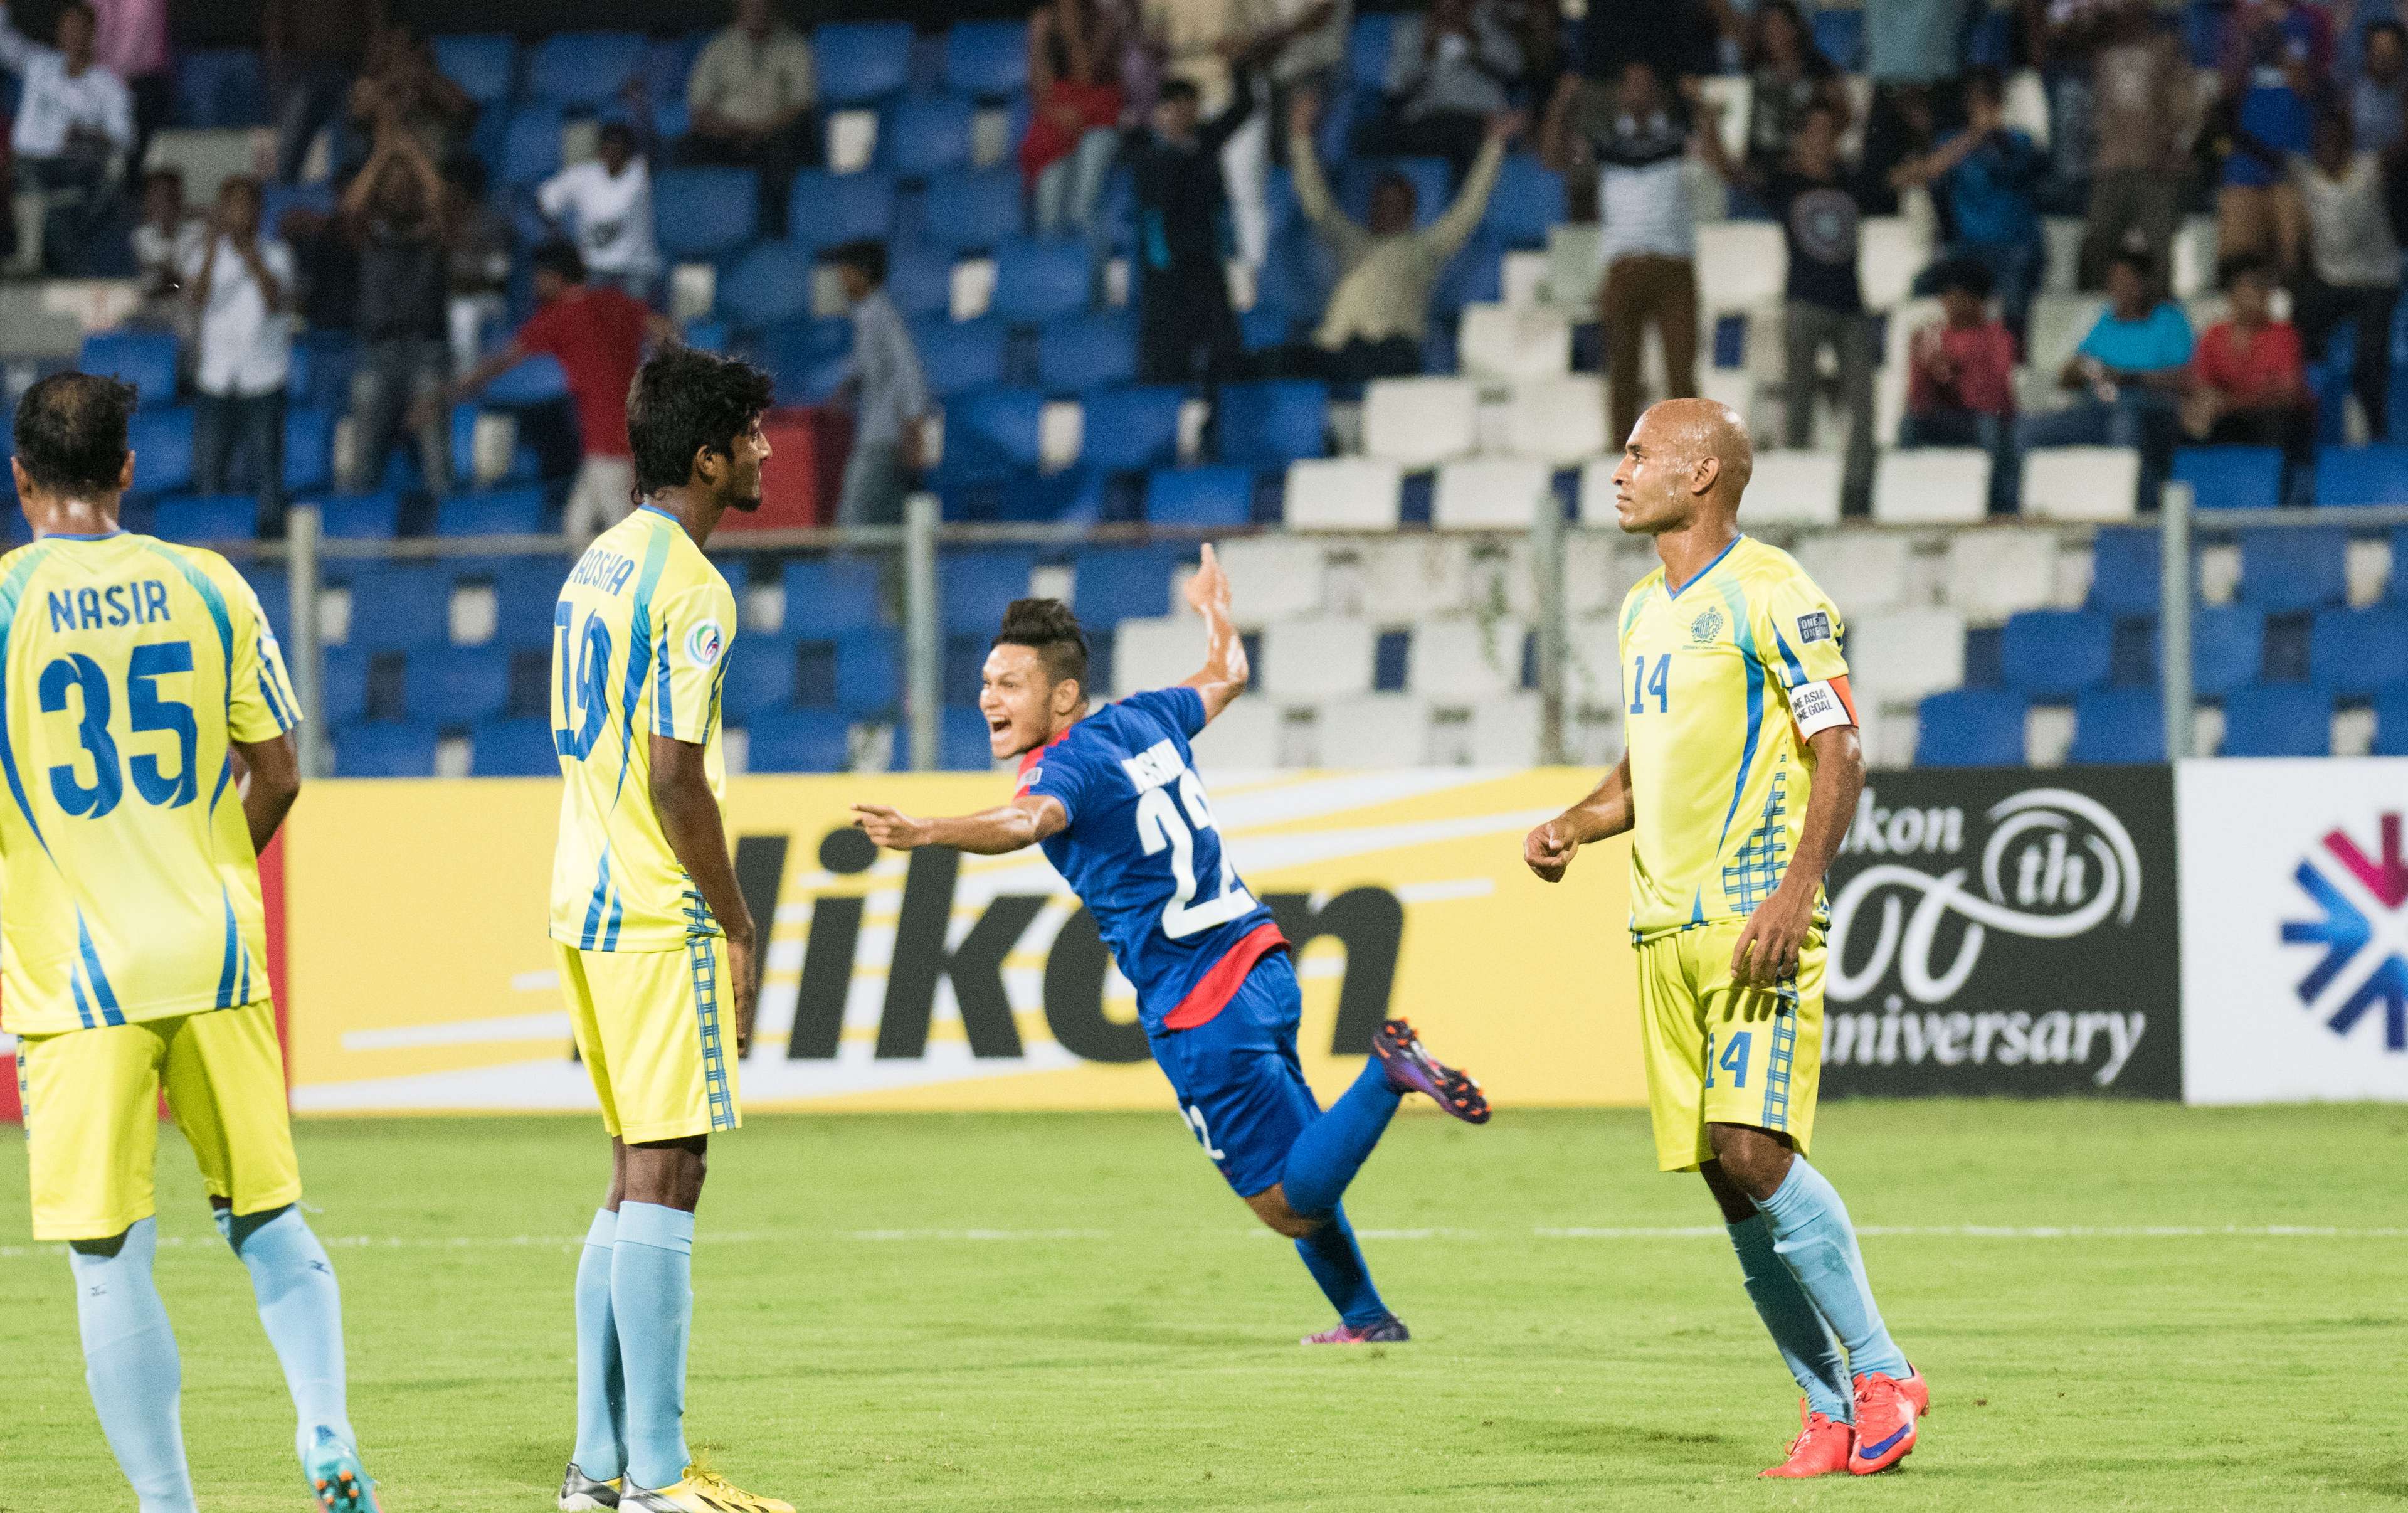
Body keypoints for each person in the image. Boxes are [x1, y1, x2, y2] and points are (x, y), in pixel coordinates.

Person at [852, 555, 1492, 1345]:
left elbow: (1028, 823)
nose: (988, 697)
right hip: (1263, 964)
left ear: (1061, 696)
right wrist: (1214, 609)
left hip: (1201, 1007)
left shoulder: (1063, 767)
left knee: (1290, 1203)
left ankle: (1387, 1072)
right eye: (986, 681)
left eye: (1009, 684)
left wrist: (924, 832)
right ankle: (1366, 1318)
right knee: (1300, 1156)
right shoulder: (1146, 716)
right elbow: (1228, 673)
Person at [1522, 396, 1926, 1482]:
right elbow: (1643, 774)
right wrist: (1574, 822)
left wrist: (1799, 889)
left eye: (1641, 452)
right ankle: (1824, 1406)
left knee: (1757, 1151)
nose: (1620, 467)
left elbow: (1838, 745)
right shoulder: (1641, 611)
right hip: (1661, 926)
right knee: (1722, 1174)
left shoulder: (1776, 593)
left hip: (1753, 916)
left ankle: (1885, 1370)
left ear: (1702, 475)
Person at [2, 370, 381, 1512]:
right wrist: (212, 864)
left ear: (21, 481)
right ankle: (326, 1431)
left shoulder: (6, 602)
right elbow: (279, 771)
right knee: (268, 1217)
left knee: (109, 1254)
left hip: (75, 977)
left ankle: (170, 1504)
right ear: (127, 469)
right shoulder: (209, 586)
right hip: (214, 953)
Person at [547, 344, 789, 1513]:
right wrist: (735, 922)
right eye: (752, 433)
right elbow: (675, 778)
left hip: (582, 900)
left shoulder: (594, 564)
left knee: (629, 1174)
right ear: (707, 455)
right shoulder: (692, 585)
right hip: (655, 910)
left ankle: (597, 1467)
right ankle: (658, 1473)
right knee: (673, 1169)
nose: (767, 451)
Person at [425, 241, 672, 541]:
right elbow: (663, 329)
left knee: (623, 532)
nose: (535, 285)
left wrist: (452, 391)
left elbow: (502, 360)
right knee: (577, 527)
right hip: (627, 429)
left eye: (538, 277)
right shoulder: (615, 301)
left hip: (608, 438)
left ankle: (647, 590)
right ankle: (593, 590)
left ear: (554, 277)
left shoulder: (560, 317)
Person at [1702, 98, 1877, 514]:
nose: (1820, 141)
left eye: (1826, 132)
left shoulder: (1852, 182)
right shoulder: (1787, 184)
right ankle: (1800, 487)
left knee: (1864, 403)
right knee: (1799, 400)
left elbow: (1903, 177)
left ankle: (1856, 496)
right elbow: (1731, 173)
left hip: (1851, 304)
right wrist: (1710, 124)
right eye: (1812, 132)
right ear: (1800, 140)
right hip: (1804, 303)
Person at [1277, 90, 1513, 383]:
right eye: (1379, 203)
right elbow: (1314, 198)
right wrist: (1300, 135)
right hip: (1336, 347)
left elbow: (1471, 205)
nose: (1386, 211)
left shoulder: (1430, 246)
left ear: (1410, 211)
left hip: (1393, 350)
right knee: (1262, 364)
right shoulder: (1349, 238)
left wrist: (1494, 144)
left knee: (1391, 353)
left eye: (1395, 204)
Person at [1541, 61, 1701, 449]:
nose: (1639, 94)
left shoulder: (1679, 137)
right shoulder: (1606, 142)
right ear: (1620, 96)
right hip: (1623, 268)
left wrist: (1703, 108)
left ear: (1659, 94)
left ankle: (1689, 459)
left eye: (1647, 86)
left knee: (1681, 374)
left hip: (1673, 267)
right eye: (1631, 87)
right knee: (1622, 375)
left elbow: (1718, 161)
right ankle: (1625, 463)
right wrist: (1561, 105)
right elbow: (1553, 158)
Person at [2020, 247, 2192, 509]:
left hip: (2149, 410)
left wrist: (2130, 377)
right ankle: (2035, 510)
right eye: (2113, 281)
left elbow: (2183, 378)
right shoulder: (2103, 321)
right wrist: (2078, 371)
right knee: (2029, 429)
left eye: (2125, 281)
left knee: (2124, 424)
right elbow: (2071, 376)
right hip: (2097, 408)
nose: (2117, 288)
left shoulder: (2168, 320)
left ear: (2142, 284)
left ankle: (2136, 513)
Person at [339, 102, 452, 496]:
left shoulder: (434, 234)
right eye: (393, 183)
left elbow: (440, 199)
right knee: (364, 466)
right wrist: (385, 154)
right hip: (376, 352)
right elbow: (352, 206)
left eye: (409, 183)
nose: (400, 188)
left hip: (428, 352)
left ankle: (447, 549)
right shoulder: (370, 233)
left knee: (439, 464)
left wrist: (411, 153)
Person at [1897, 67, 2048, 346]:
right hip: (1969, 249)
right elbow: (1916, 175)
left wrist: (1993, 138)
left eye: (1991, 104)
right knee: (1925, 289)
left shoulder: (2019, 141)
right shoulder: (1952, 144)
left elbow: (2022, 167)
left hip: (2015, 249)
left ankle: (2010, 362)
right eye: (1978, 105)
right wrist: (1972, 138)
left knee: (2013, 299)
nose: (1985, 111)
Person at [186, 176, 296, 537]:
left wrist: (251, 256)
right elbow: (197, 300)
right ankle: (213, 546)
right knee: (209, 472)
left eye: (246, 205)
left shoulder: (278, 253)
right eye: (231, 205)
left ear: (259, 210)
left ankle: (271, 551)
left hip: (263, 376)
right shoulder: (202, 254)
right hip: (215, 378)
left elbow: (274, 301)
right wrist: (215, 250)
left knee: (266, 470)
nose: (239, 213)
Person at [1128, 73, 1255, 386]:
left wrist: (1240, 63)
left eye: (1191, 106)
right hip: (1166, 277)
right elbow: (1153, 213)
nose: (1185, 114)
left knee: (1226, 361)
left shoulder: (1203, 143)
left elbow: (1245, 107)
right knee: (1166, 367)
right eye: (1175, 106)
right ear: (1161, 112)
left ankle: (1221, 425)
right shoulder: (1144, 150)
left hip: (1206, 269)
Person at [0, 0, 134, 277]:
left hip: (77, 166)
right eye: (67, 27)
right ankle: (41, 261)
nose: (72, 34)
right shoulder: (40, 65)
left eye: (79, 28)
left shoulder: (106, 83)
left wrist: (88, 133)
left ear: (92, 33)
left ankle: (37, 260)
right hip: (30, 163)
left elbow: (125, 138)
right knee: (27, 179)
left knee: (53, 196)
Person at [2294, 110, 2400, 440]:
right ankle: (2310, 417)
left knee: (2370, 358)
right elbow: (2259, 150)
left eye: (2334, 143)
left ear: (2347, 146)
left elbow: (2400, 149)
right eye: (2321, 143)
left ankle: (2376, 431)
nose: (2327, 149)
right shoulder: (2305, 175)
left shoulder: (2369, 169)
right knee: (2301, 323)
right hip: (2331, 282)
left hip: (2377, 281)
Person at [2079, 0, 2196, 292]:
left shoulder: (2165, 48)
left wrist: (2176, 147)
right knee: (2098, 242)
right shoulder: (2100, 51)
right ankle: (2102, 312)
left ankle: (2158, 313)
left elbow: (2187, 102)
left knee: (2158, 247)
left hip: (2153, 165)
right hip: (2110, 165)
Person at [684, 0, 818, 238]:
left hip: (775, 134)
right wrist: (731, 131)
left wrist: (760, 131)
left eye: (761, 6)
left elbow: (802, 104)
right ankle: (704, 233)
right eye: (750, 7)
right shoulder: (719, 46)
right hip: (727, 136)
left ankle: (776, 238)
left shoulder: (794, 45)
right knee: (687, 148)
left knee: (793, 146)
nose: (756, 12)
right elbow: (699, 109)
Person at [828, 238, 931, 528]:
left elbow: (910, 374)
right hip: (880, 437)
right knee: (891, 526)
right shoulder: (867, 316)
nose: (841, 280)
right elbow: (870, 368)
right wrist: (849, 386)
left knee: (852, 521)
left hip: (883, 439)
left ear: (861, 273)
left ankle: (843, 574)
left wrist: (913, 428)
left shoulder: (881, 316)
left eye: (845, 272)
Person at [1902, 256, 2019, 509]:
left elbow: (1995, 400)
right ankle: (1907, 499)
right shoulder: (1928, 336)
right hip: (1944, 417)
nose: (1948, 303)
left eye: (1956, 295)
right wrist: (1928, 372)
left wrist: (1959, 373)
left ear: (1976, 300)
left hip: (1979, 421)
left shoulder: (1997, 337)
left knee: (1991, 428)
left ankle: (1999, 508)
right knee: (1909, 425)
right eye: (1945, 296)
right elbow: (1917, 400)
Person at [2214, 0, 2318, 276]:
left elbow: (2305, 86)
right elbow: (2227, 92)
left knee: (2291, 256)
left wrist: (2275, 42)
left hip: (2290, 152)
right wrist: (2245, 43)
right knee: (2239, 257)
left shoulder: (2304, 23)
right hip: (2247, 156)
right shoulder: (2238, 25)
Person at [1374, 0, 1523, 183]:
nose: (1451, 9)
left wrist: (1476, 46)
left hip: (1481, 118)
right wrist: (1427, 52)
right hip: (1428, 120)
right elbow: (1394, 87)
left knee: (1486, 136)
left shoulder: (1483, 25)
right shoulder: (1411, 29)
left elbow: (1515, 68)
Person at [2185, 253, 2311, 464]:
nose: (2259, 297)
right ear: (2233, 296)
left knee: (2276, 422)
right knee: (2192, 424)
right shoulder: (2214, 336)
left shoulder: (2284, 336)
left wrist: (2230, 403)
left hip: (2269, 419)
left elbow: (2288, 393)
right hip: (2228, 417)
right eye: (2251, 290)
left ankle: (2270, 488)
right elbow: (2202, 384)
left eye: (2263, 291)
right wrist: (2208, 404)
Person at [1020, 0, 1125, 247]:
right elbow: (1040, 93)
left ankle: (1095, 285)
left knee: (1082, 207)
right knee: (1050, 208)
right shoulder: (1043, 21)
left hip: (1101, 120)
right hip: (1060, 120)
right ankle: (1058, 282)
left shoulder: (1103, 19)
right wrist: (1038, 41)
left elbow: (1086, 75)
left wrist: (1072, 31)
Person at [539, 120, 663, 302]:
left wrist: (641, 112)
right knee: (592, 317)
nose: (613, 154)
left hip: (636, 267)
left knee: (633, 318)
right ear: (600, 151)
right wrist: (557, 232)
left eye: (619, 149)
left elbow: (655, 146)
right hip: (595, 267)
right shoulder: (583, 175)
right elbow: (546, 200)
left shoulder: (641, 172)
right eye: (608, 148)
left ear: (628, 152)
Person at [263, 0, 381, 184]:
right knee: (288, 153)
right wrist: (280, 72)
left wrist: (369, 71)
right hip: (302, 74)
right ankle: (282, 199)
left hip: (348, 72)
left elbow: (374, 17)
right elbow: (275, 22)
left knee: (352, 152)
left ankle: (350, 198)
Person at [1743, 0, 1847, 184]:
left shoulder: (1819, 67)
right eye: (1770, 26)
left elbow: (1842, 114)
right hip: (1762, 163)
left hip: (1807, 159)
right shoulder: (1752, 66)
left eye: (1782, 24)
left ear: (1795, 27)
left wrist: (1816, 150)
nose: (1776, 32)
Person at [443, 156, 515, 378]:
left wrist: (462, 277)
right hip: (451, 297)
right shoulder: (441, 221)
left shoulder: (492, 222)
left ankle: (466, 385)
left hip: (485, 302)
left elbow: (498, 276)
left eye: (451, 186)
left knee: (462, 315)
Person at [90, 0, 167, 177]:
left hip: (140, 80)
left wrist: (112, 81)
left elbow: (138, 27)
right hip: (100, 79)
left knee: (133, 161)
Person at [130, 165, 202, 324]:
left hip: (187, 318)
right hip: (151, 315)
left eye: (169, 197)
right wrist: (173, 281)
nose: (162, 205)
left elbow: (181, 284)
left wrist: (173, 282)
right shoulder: (141, 238)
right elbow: (162, 285)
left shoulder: (197, 234)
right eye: (155, 198)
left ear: (179, 199)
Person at [2355, 20, 2408, 156]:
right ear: (2368, 54)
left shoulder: (2405, 95)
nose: (2384, 60)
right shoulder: (2349, 95)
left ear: (2401, 54)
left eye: (2389, 54)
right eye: (2379, 53)